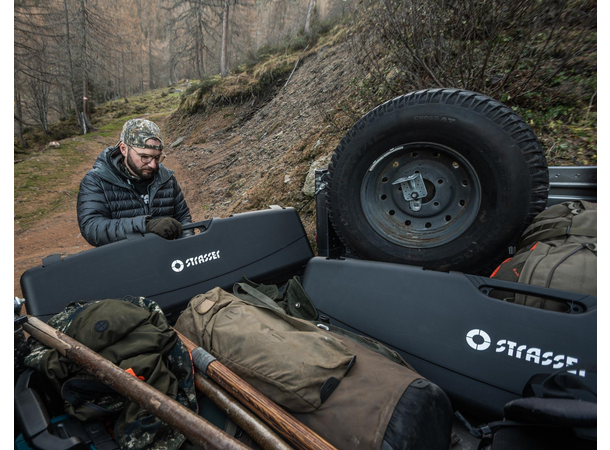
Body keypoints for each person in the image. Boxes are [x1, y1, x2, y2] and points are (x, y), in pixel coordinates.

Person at [77, 118, 193, 247]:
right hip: (125, 261)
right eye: (144, 157)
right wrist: (144, 225)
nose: (153, 165)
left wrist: (186, 249)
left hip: (167, 258)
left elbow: (183, 218)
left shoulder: (166, 178)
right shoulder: (97, 180)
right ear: (124, 149)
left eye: (157, 157)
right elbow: (92, 228)